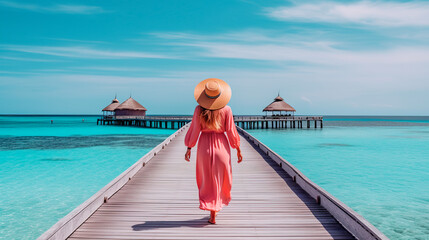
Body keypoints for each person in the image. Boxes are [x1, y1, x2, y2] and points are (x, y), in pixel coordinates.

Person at [184, 78, 243, 224]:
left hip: (204, 146)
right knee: (220, 178)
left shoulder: (198, 109)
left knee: (207, 179)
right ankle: (215, 210)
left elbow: (195, 130)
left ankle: (212, 213)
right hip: (222, 146)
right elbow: (230, 131)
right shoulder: (227, 109)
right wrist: (238, 148)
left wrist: (189, 147)